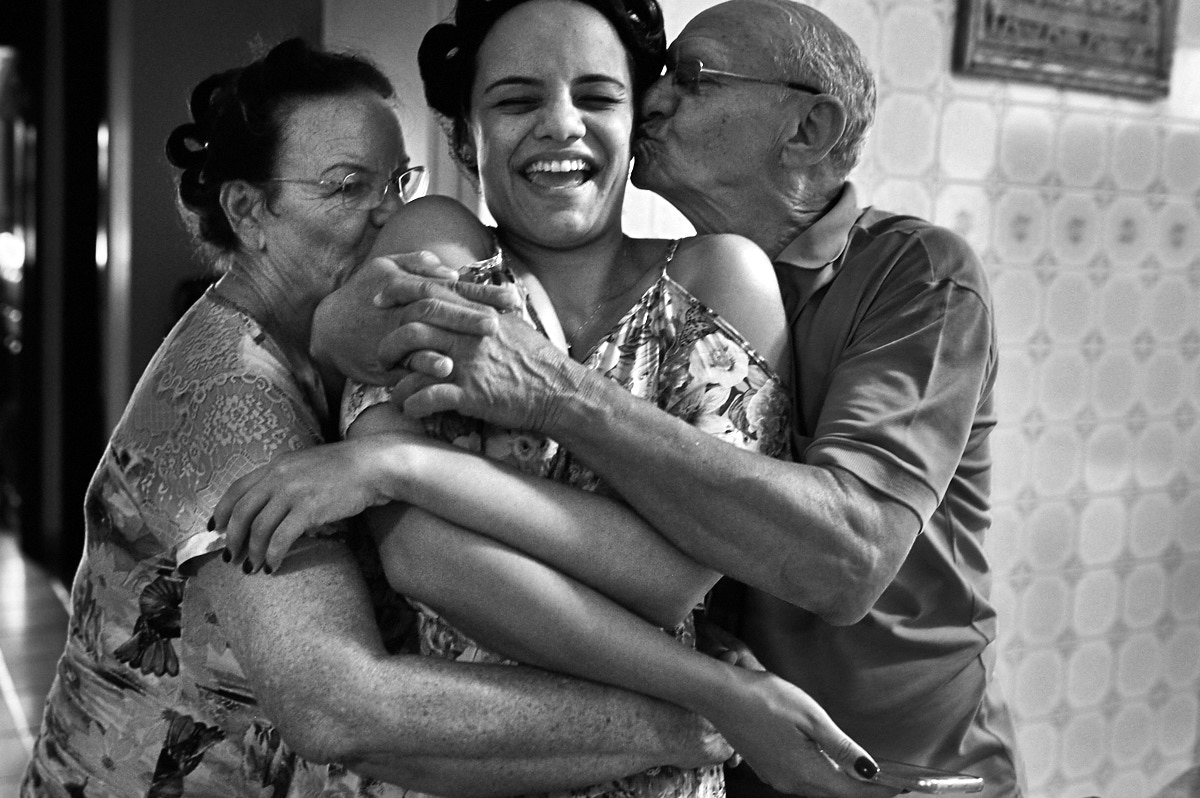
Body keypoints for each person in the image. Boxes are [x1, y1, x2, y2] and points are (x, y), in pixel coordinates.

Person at [308, 1, 1028, 796]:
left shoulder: (911, 274)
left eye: (692, 79)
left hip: (893, 765)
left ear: (808, 129)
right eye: (515, 98)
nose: (653, 99)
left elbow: (842, 560)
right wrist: (329, 323)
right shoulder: (485, 258)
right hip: (722, 747)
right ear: (464, 134)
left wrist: (445, 446)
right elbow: (423, 554)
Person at [19, 37, 765, 798]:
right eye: (347, 189)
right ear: (248, 212)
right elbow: (338, 704)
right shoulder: (231, 393)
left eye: (397, 183)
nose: (389, 218)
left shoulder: (343, 343)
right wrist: (690, 720)